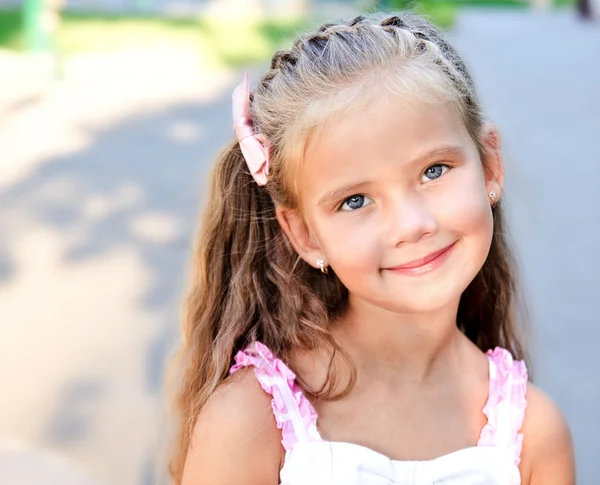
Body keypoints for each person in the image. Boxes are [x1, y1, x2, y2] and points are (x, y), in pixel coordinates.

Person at [168, 11, 575, 485]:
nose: (412, 225)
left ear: (489, 166)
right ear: (304, 234)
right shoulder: (252, 422)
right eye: (355, 201)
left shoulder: (532, 435)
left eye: (434, 171)